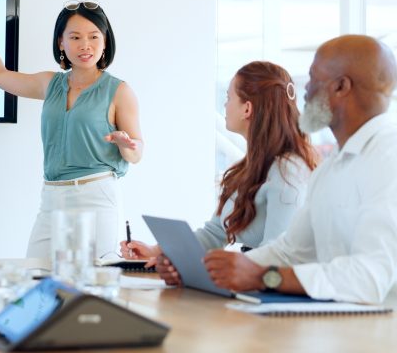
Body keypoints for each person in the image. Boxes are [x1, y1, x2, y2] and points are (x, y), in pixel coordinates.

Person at [202, 35, 397, 325]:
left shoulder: (394, 162)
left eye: (313, 79)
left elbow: (367, 278)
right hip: (380, 329)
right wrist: (221, 270)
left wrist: (265, 276)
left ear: (341, 86)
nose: (304, 92)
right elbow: (292, 250)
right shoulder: (334, 168)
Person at [0, 0, 143, 259]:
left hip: (97, 196)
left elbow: (137, 152)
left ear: (105, 42)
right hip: (52, 197)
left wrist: (126, 145)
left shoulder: (118, 90)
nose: (85, 45)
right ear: (61, 42)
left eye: (94, 37)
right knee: (36, 277)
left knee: (95, 286)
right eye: (75, 37)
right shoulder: (51, 84)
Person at [120, 62, 318, 282]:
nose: (225, 105)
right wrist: (157, 251)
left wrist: (213, 268)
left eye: (228, 98)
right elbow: (214, 233)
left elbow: (278, 253)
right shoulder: (250, 167)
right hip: (250, 278)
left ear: (247, 108)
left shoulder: (287, 171)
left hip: (269, 285)